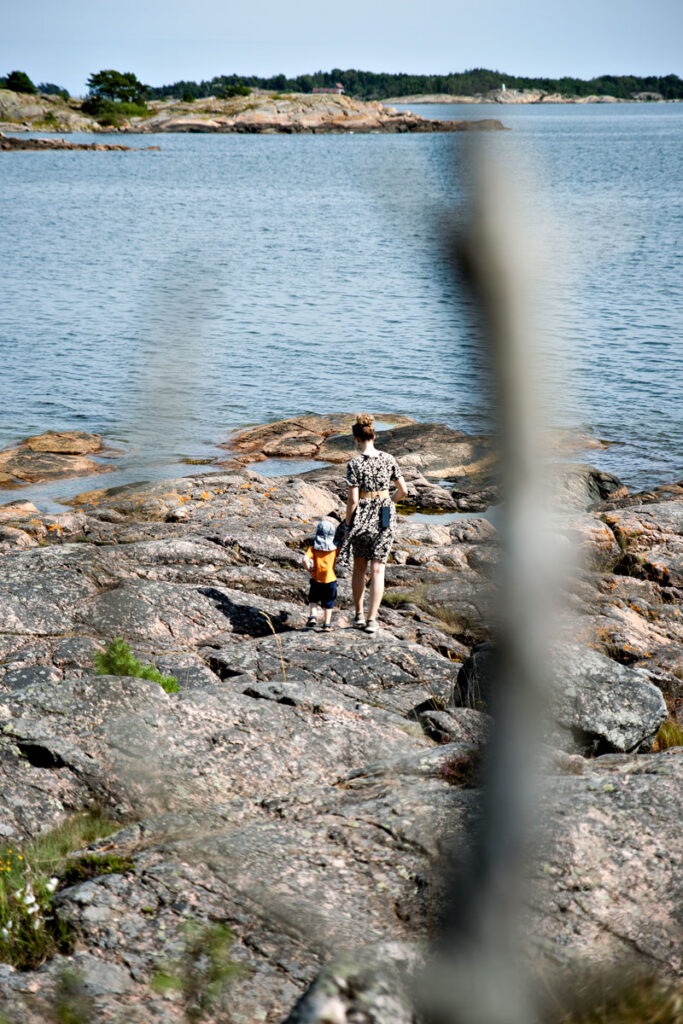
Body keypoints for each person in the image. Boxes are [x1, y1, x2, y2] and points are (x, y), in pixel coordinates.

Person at [344, 413, 407, 633]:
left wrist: (348, 524)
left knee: (359, 569)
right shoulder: (389, 459)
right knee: (378, 570)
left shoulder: (354, 463)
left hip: (362, 511)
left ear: (356, 439)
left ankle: (359, 615)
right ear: (375, 436)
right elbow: (404, 490)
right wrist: (390, 503)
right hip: (385, 513)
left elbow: (353, 500)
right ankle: (372, 620)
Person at [303, 517, 339, 631]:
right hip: (330, 580)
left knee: (313, 599)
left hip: (316, 579)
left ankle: (313, 616)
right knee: (329, 603)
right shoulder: (335, 549)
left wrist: (309, 569)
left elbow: (304, 559)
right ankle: (326, 625)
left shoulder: (313, 548)